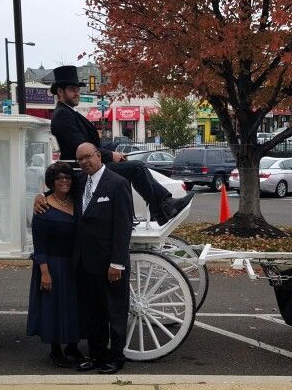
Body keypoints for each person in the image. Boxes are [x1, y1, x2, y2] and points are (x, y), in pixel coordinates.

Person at [35, 65, 193, 224]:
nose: (77, 93)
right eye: (72, 89)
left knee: (135, 166)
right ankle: (163, 207)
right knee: (136, 168)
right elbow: (81, 148)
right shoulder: (62, 115)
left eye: (77, 89)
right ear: (60, 92)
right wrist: (111, 155)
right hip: (83, 170)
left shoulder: (68, 112)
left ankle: (161, 207)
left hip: (91, 165)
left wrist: (114, 151)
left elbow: (92, 144)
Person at [71, 143, 134, 374]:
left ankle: (116, 357)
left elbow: (123, 226)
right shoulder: (79, 182)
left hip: (110, 264)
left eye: (88, 157)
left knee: (115, 312)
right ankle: (96, 356)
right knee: (93, 313)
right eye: (79, 159)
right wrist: (40, 195)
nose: (84, 162)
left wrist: (117, 263)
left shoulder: (118, 184)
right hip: (85, 262)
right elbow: (55, 185)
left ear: (98, 156)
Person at [26, 162, 86, 367]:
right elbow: (39, 244)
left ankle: (72, 345)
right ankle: (55, 349)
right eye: (60, 178)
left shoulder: (76, 201)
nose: (64, 181)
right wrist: (44, 272)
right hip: (52, 265)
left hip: (74, 264)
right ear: (52, 181)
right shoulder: (43, 207)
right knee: (53, 308)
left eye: (68, 177)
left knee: (74, 307)